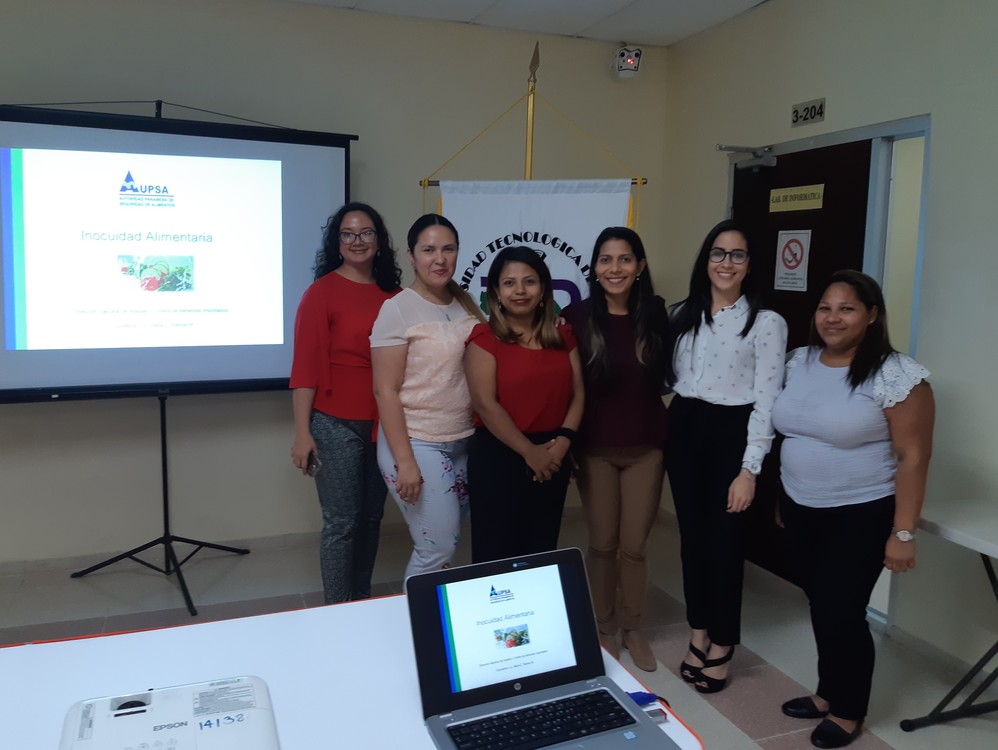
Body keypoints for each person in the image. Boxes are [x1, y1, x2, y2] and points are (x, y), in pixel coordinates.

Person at [772, 270, 934, 749]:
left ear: (872, 316)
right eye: (825, 307)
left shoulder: (895, 374)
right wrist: (787, 499)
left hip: (861, 513)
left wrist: (902, 533)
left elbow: (914, 456)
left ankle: (848, 709)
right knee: (820, 604)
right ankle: (827, 692)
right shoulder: (797, 362)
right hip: (802, 508)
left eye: (847, 308)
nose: (833, 317)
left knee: (842, 610)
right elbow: (791, 431)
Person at [668, 219, 788, 693]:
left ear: (750, 264)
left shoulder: (767, 323)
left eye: (737, 255)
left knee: (725, 544)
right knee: (692, 541)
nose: (726, 263)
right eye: (718, 253)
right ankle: (699, 630)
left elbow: (767, 400)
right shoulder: (681, 314)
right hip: (684, 428)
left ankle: (723, 642)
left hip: (731, 434)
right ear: (707, 259)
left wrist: (749, 469)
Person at [561, 227, 673, 672]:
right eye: (606, 260)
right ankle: (605, 627)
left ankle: (633, 628)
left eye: (625, 259)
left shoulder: (659, 315)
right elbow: (565, 386)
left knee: (634, 546)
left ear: (640, 266)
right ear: (595, 268)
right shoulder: (576, 316)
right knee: (603, 544)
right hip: (595, 449)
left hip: (647, 446)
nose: (615, 269)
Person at [289, 201, 402, 604]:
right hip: (335, 422)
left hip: (385, 424)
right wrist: (303, 433)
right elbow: (304, 370)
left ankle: (360, 602)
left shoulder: (396, 296)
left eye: (366, 233)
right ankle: (337, 611)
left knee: (371, 520)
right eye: (348, 234)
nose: (358, 241)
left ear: (378, 240)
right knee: (342, 523)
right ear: (337, 242)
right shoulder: (321, 293)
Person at [371, 214, 486, 580]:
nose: (440, 259)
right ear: (411, 256)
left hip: (463, 441)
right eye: (429, 250)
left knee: (445, 543)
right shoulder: (397, 309)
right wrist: (405, 461)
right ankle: (417, 630)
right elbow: (384, 389)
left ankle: (437, 625)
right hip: (417, 442)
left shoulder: (466, 303)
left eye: (448, 249)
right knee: (436, 548)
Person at [465, 246, 584, 564]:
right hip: (498, 456)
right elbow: (485, 404)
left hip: (552, 454)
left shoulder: (563, 335)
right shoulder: (484, 338)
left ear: (544, 289)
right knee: (496, 554)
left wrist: (562, 444)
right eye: (509, 283)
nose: (520, 290)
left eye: (529, 282)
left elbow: (578, 393)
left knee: (541, 550)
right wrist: (530, 452)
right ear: (495, 293)